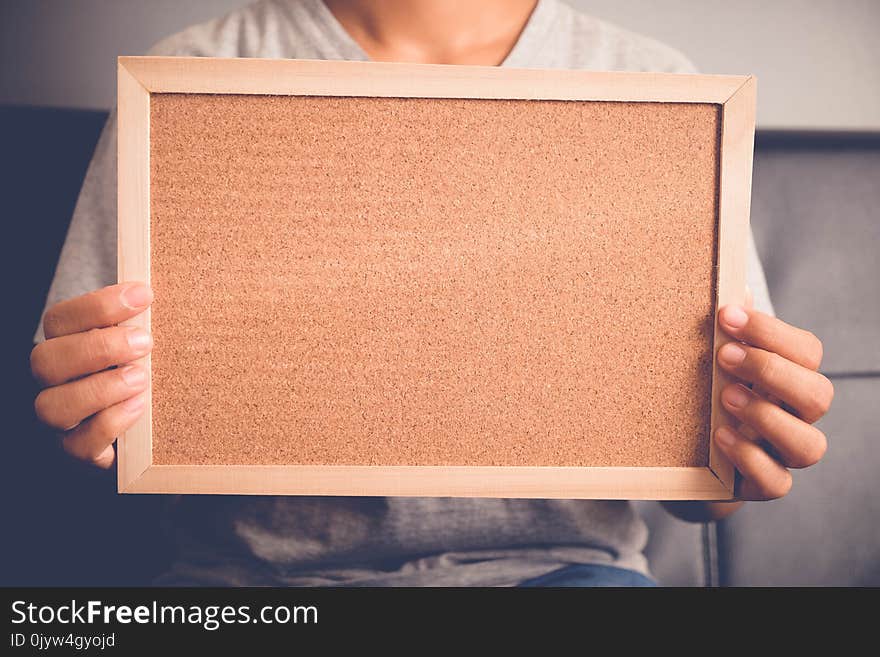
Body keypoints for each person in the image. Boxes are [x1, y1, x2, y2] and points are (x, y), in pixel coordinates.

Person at [30, 0, 832, 586]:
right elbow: (84, 422)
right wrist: (88, 408)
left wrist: (740, 455)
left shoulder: (661, 94)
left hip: (566, 575)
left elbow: (710, 479)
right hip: (246, 582)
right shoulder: (187, 86)